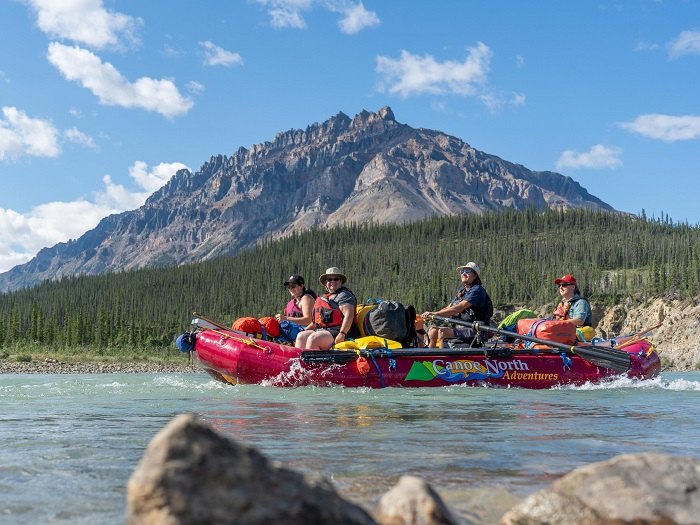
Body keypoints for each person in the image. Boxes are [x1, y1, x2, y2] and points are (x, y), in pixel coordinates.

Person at [421, 261, 493, 348]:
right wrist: (432, 314)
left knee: (442, 333)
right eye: (462, 271)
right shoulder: (462, 291)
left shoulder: (477, 290)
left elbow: (460, 307)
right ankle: (429, 356)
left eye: (467, 271)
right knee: (432, 330)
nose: (463, 273)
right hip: (460, 328)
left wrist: (435, 314)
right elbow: (449, 308)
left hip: (475, 331)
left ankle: (442, 359)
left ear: (475, 275)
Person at [295, 267, 357, 350]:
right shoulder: (326, 297)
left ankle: (312, 362)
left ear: (341, 281)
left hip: (342, 331)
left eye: (336, 279)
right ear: (325, 282)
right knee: (301, 336)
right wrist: (305, 330)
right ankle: (298, 361)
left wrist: (342, 333)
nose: (333, 282)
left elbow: (349, 315)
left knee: (314, 338)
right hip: (325, 330)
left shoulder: (344, 295)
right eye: (329, 279)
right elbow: (317, 322)